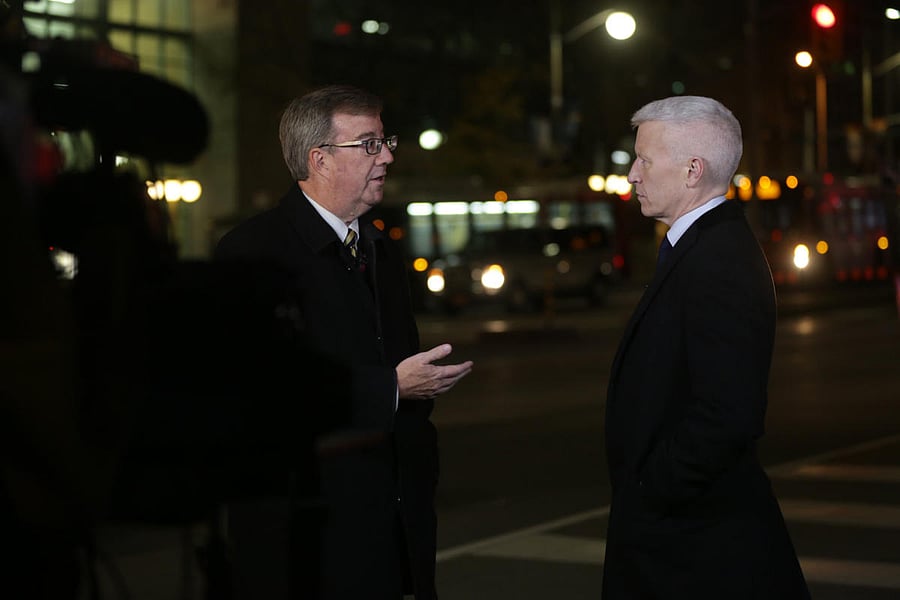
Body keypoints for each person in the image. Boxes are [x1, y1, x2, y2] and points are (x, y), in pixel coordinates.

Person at [215, 84, 473, 600]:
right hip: (309, 541)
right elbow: (259, 396)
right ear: (321, 159)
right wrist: (393, 388)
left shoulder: (377, 246)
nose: (389, 156)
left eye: (385, 140)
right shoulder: (252, 253)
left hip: (393, 526)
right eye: (370, 143)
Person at [602, 95, 810, 599]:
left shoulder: (718, 260)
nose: (632, 174)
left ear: (693, 169)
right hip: (687, 537)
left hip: (697, 549)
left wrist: (653, 490)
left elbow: (729, 414)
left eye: (645, 160)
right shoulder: (703, 246)